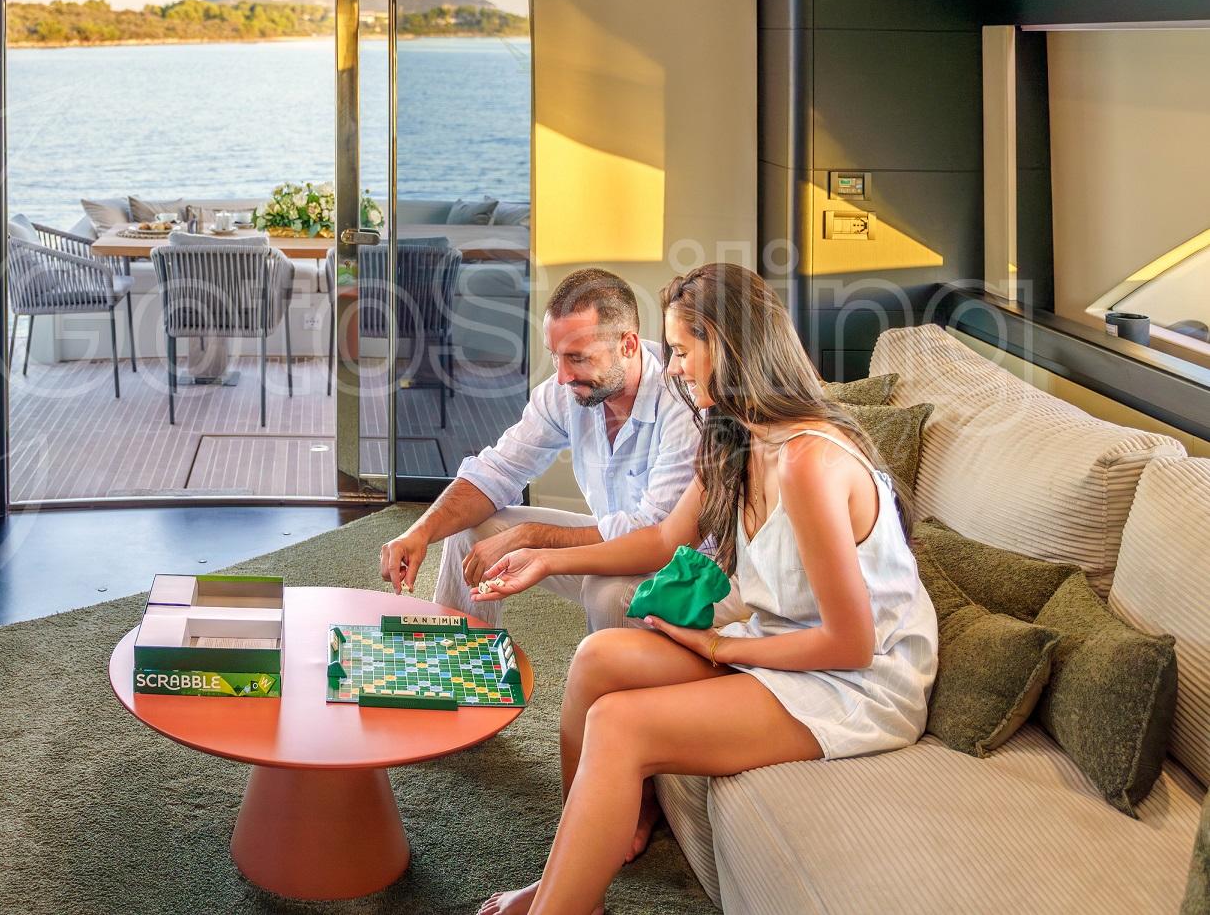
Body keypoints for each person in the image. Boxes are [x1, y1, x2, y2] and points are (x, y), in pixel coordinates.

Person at [474, 263, 937, 915]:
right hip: (784, 640)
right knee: (596, 659)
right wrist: (546, 559)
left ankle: (560, 909)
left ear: (729, 346)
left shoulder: (809, 463)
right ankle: (567, 883)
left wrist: (718, 647)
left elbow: (851, 644)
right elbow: (664, 541)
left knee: (619, 724)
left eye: (683, 350)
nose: (674, 368)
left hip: (855, 681)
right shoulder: (733, 436)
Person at [378, 267, 701, 633]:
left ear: (627, 345)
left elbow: (654, 532)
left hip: (680, 568)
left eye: (577, 357)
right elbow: (498, 470)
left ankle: (608, 670)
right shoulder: (566, 391)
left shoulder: (682, 400)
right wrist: (419, 532)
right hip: (613, 540)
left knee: (608, 593)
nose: (562, 376)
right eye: (555, 356)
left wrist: (533, 535)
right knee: (474, 529)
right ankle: (456, 656)